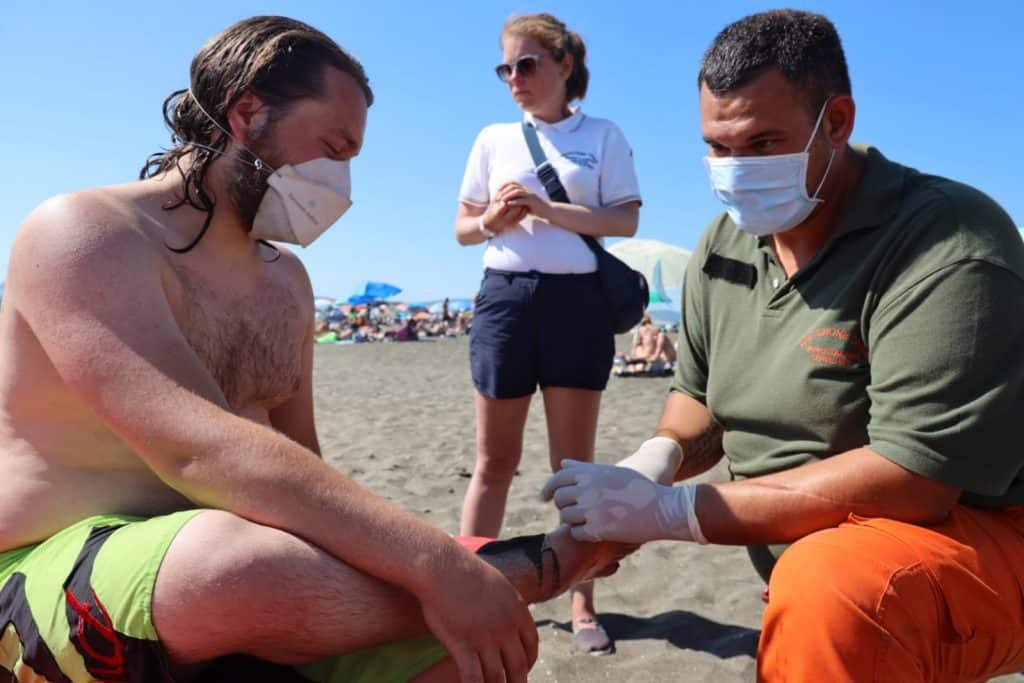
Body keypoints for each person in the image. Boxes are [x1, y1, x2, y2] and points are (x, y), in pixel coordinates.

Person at [0, 15, 632, 683]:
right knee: (236, 566)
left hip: (233, 579)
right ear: (247, 113)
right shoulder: (87, 234)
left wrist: (418, 569)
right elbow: (198, 447)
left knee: (478, 654)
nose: (341, 182)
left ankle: (487, 578)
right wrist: (436, 564)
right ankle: (531, 566)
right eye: (334, 147)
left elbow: (302, 465)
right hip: (60, 565)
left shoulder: (287, 284)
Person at [542, 9, 1024, 681]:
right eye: (717, 146)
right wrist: (658, 459)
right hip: (806, 556)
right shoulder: (723, 243)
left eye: (763, 143)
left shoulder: (947, 241)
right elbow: (699, 394)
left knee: (829, 589)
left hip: (975, 536)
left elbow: (915, 478)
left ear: (837, 121)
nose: (736, 170)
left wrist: (672, 511)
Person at [454, 12, 642, 654]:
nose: (514, 78)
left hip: (577, 303)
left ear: (565, 65)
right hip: (505, 296)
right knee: (493, 462)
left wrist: (542, 207)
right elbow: (461, 226)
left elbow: (624, 221)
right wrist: (493, 221)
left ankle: (583, 602)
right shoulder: (492, 138)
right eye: (505, 67)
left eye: (526, 64)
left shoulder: (603, 135)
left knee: (574, 467)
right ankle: (472, 589)